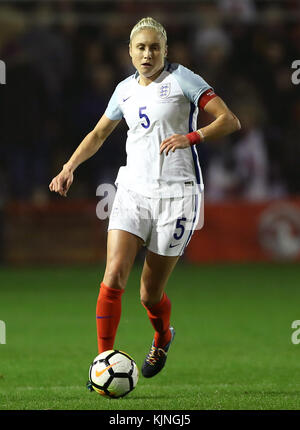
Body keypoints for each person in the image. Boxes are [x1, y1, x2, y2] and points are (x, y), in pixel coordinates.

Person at [49, 17, 241, 381]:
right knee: (113, 275)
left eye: (155, 47)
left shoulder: (183, 79)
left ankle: (162, 335)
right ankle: (103, 360)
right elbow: (99, 132)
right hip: (133, 190)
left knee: (149, 295)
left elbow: (230, 121)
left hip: (178, 193)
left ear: (164, 50)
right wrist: (69, 166)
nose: (148, 53)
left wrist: (192, 137)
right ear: (130, 52)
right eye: (141, 47)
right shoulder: (124, 90)